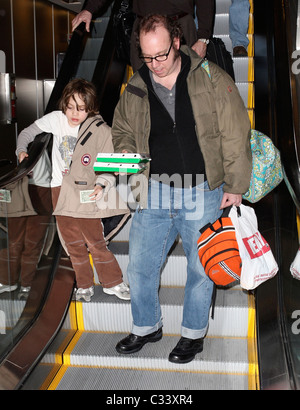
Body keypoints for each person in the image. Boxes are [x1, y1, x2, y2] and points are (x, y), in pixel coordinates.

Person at [111, 14, 252, 364]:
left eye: (161, 55)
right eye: (147, 57)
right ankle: (146, 326)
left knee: (201, 269)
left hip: (202, 190)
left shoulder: (209, 77)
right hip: (155, 189)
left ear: (176, 42)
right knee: (140, 268)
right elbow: (121, 131)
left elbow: (235, 132)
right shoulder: (136, 85)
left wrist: (235, 184)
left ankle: (192, 335)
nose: (155, 65)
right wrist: (126, 152)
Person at [16, 78, 131, 302]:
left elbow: (108, 165)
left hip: (86, 191)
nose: (74, 113)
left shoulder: (99, 129)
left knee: (95, 240)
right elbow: (27, 133)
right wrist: (22, 150)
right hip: (59, 190)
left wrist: (102, 184)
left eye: (81, 108)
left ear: (90, 107)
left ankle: (112, 282)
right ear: (64, 105)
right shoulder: (56, 120)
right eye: (70, 107)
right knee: (72, 243)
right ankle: (85, 285)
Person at [71, 0, 215, 70]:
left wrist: (203, 38)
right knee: (142, 85)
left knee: (185, 82)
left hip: (180, 25)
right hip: (143, 25)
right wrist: (89, 9)